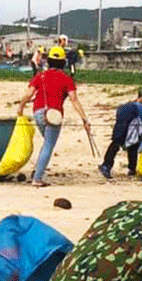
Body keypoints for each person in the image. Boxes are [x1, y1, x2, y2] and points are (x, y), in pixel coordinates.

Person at [17, 46, 90, 187]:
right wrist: (84, 119)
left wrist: (20, 106)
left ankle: (37, 171)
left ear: (49, 61)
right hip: (53, 116)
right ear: (64, 63)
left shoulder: (40, 76)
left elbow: (28, 94)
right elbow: (74, 100)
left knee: (46, 144)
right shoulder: (67, 79)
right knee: (48, 146)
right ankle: (37, 178)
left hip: (38, 113)